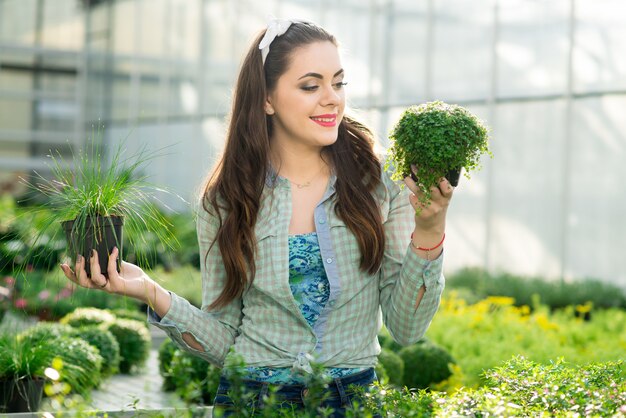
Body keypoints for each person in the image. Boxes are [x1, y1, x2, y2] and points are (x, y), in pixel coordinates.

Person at [60, 18, 454, 417]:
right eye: (310, 85)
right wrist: (149, 291)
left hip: (351, 400)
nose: (332, 98)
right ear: (267, 99)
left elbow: (407, 329)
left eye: (338, 82)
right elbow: (223, 338)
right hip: (251, 401)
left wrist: (430, 227)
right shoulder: (227, 200)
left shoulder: (380, 182)